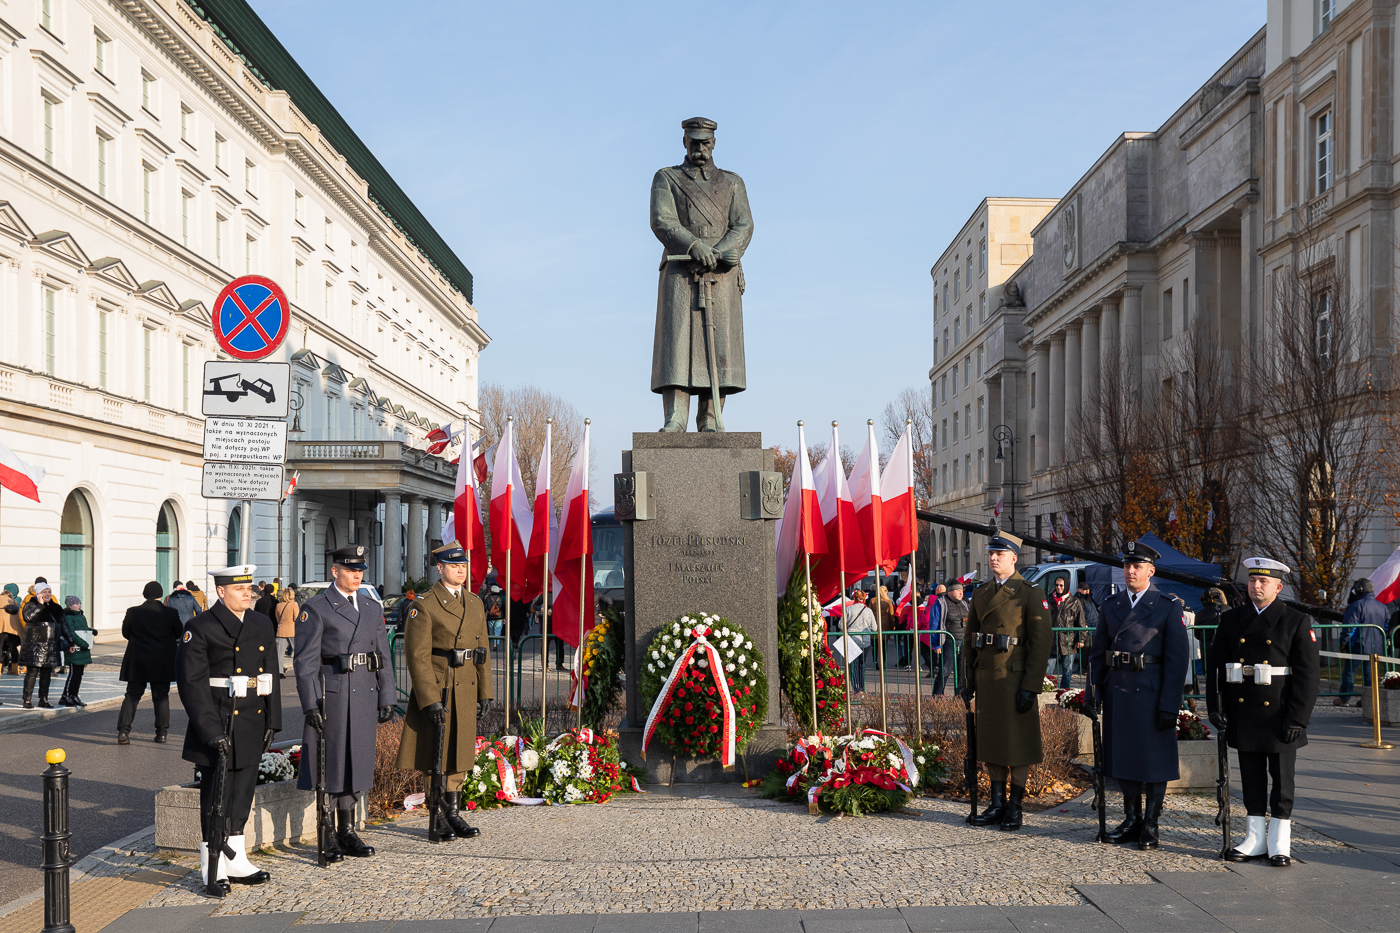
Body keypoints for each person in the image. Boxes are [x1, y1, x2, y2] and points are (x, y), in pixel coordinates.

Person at [1206, 557, 1320, 867]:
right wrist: (1215, 706)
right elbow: (1216, 667)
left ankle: (1279, 841)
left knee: (1282, 781)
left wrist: (1298, 718)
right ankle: (1255, 838)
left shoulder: (1295, 620)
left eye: (1264, 581)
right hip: (1244, 711)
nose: (1257, 586)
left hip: (1280, 712)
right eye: (1253, 580)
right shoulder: (1232, 620)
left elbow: (1308, 676)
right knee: (1251, 778)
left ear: (1278, 587)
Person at [176, 564, 280, 894]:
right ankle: (213, 865)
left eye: (249, 587)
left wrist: (273, 720)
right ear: (221, 592)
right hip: (219, 719)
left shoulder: (261, 623)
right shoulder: (200, 626)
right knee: (215, 796)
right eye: (240, 588)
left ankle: (236, 859)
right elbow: (191, 684)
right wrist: (209, 730)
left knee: (243, 792)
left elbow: (271, 672)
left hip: (252, 717)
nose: (248, 593)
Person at [650, 116, 754, 432]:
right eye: (694, 142)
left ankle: (710, 417)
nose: (699, 148)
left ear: (713, 143)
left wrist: (721, 251)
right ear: (684, 142)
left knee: (719, 345)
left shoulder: (732, 182)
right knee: (677, 343)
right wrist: (695, 245)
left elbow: (743, 225)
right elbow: (663, 220)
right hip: (681, 268)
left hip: (721, 272)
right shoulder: (667, 178)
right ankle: (675, 417)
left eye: (705, 143)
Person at [1086, 540, 1190, 849]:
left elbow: (1177, 660)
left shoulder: (1167, 607)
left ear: (1151, 571)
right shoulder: (1111, 606)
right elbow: (1098, 653)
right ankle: (1131, 819)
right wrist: (1093, 691)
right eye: (1127, 566)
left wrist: (1171, 704)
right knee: (1124, 757)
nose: (1130, 571)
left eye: (1137, 566)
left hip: (1152, 693)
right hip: (1119, 692)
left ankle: (1151, 823)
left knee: (1153, 761)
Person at [294, 545, 393, 861]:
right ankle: (327, 831)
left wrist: (386, 694)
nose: (357, 575)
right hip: (333, 695)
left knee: (357, 761)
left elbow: (383, 656)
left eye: (361, 570)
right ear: (335, 571)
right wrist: (310, 703)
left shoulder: (370, 606)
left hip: (364, 692)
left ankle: (347, 830)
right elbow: (305, 661)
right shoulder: (318, 607)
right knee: (332, 763)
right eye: (351, 569)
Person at [396, 542, 492, 840]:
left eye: (463, 565)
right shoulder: (424, 605)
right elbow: (417, 656)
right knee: (434, 754)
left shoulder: (474, 602)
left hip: (466, 684)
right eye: (454, 566)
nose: (460, 570)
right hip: (440, 686)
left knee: (460, 750)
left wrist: (485, 690)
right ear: (440, 568)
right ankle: (437, 814)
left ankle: (453, 812)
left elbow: (482, 649)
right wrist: (429, 699)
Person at [962, 531, 1052, 831]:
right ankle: (997, 802)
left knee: (1018, 743)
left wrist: (1030, 686)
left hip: (1014, 679)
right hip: (987, 677)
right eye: (991, 553)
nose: (993, 558)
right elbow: (970, 640)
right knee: (991, 741)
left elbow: (1040, 645)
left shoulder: (1029, 591)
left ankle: (1015, 805)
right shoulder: (981, 593)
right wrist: (968, 679)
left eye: (1000, 553)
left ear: (1014, 558)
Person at [117, 581, 183, 744]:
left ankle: (123, 732)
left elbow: (126, 632)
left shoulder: (133, 612)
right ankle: (161, 733)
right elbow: (178, 633)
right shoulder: (170, 612)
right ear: (161, 594)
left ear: (144, 595)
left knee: (132, 695)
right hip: (162, 658)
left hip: (138, 658)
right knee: (161, 696)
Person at [1338, 578, 1388, 706]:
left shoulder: (1356, 605)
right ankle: (1369, 700)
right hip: (1375, 645)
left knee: (1349, 672)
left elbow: (1349, 626)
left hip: (1357, 644)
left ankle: (1344, 698)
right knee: (1370, 674)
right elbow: (1386, 627)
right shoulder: (1382, 606)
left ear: (1360, 590)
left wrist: (1343, 642)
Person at [20, 583, 65, 708]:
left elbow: (64, 625)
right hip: (34, 646)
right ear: (38, 594)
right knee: (32, 673)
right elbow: (28, 617)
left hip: (50, 646)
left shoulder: (55, 607)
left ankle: (43, 699)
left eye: (49, 592)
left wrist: (70, 642)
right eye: (44, 592)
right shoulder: (30, 605)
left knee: (46, 674)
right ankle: (27, 700)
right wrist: (40, 605)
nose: (47, 594)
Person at [932, 580, 968, 696]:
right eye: (958, 591)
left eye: (962, 591)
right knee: (945, 671)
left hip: (963, 642)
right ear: (950, 592)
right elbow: (934, 625)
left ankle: (959, 696)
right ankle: (937, 696)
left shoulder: (964, 604)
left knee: (962, 671)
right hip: (949, 642)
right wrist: (936, 644)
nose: (961, 593)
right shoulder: (940, 604)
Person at [1054, 579, 1090, 690]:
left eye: (1061, 585)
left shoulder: (1074, 601)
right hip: (1052, 641)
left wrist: (1081, 639)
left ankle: (1064, 693)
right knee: (1048, 670)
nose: (1059, 587)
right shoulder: (1050, 600)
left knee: (1066, 671)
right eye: (1057, 585)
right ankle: (1048, 694)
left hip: (1068, 641)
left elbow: (1081, 622)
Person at [58, 595, 93, 707]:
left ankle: (74, 695)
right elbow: (71, 632)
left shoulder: (81, 616)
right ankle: (66, 696)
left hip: (82, 649)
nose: (79, 605)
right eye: (76, 604)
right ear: (70, 606)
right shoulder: (68, 617)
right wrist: (82, 644)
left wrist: (92, 631)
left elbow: (83, 629)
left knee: (79, 674)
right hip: (75, 648)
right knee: (73, 673)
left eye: (79, 603)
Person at [274, 587, 298, 675]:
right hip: (292, 630)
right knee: (298, 652)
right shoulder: (294, 604)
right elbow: (297, 617)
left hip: (281, 630)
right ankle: (299, 670)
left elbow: (278, 619)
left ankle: (280, 672)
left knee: (279, 654)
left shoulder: (278, 605)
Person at [1, 583, 23, 676]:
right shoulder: (15, 601)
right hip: (13, 625)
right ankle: (15, 669)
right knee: (13, 646)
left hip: (1, 624)